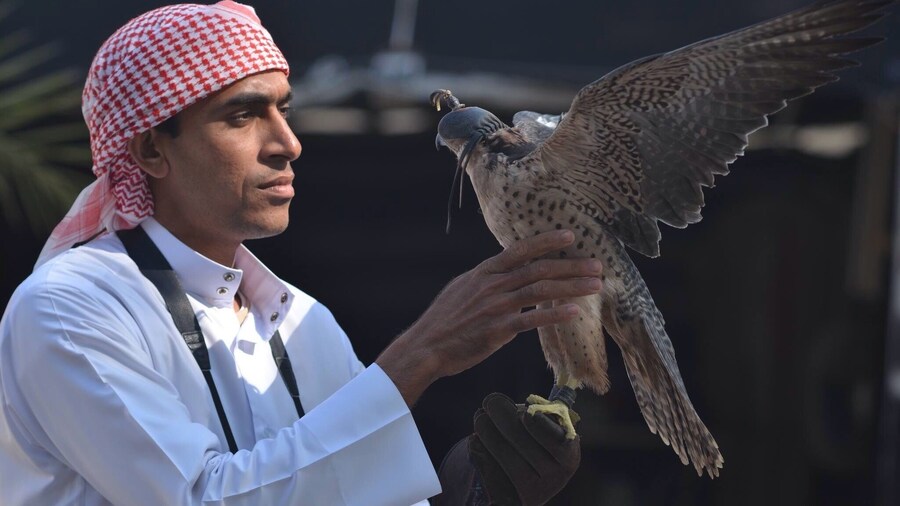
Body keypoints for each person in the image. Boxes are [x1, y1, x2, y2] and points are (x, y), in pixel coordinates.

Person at [0, 2, 601, 504]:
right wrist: (423, 353)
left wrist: (476, 492)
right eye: (242, 115)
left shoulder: (302, 321)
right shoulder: (70, 310)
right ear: (152, 151)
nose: (287, 144)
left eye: (283, 109)